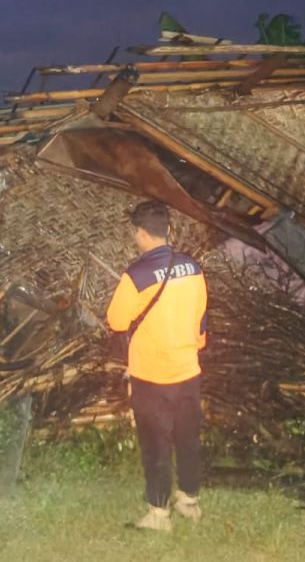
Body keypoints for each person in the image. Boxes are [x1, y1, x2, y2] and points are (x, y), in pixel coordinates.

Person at [106, 201, 207, 532]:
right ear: (169, 231)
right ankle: (189, 502)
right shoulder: (193, 268)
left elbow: (117, 322)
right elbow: (201, 321)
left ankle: (159, 515)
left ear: (139, 232)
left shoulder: (135, 275)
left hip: (151, 376)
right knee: (188, 438)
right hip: (188, 371)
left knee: (156, 443)